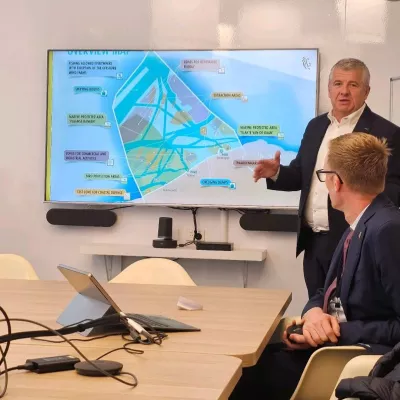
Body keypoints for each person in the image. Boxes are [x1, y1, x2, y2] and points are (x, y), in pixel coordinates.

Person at [231, 132, 400, 400]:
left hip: (350, 359)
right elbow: (326, 291)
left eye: (324, 175)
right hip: (329, 347)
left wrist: (332, 332)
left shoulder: (386, 230)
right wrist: (313, 316)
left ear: (336, 181)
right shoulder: (359, 223)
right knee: (250, 361)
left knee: (240, 376)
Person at [253, 58, 400, 298]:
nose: (344, 91)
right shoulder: (315, 126)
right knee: (317, 306)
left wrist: (356, 188)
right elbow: (302, 175)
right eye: (338, 83)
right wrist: (277, 173)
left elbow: (393, 189)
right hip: (313, 242)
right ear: (329, 89)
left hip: (354, 240)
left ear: (366, 91)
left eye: (353, 85)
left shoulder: (385, 132)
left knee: (348, 310)